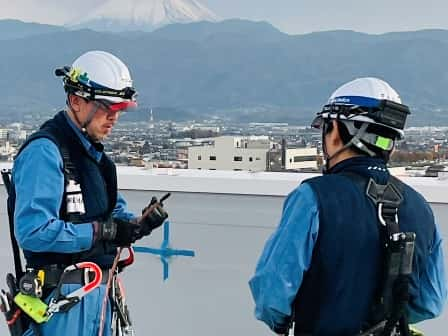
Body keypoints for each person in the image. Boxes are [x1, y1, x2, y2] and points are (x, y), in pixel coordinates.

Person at [249, 77, 447, 335]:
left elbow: (271, 296)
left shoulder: (313, 197)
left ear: (336, 132)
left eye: (326, 127)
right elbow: (431, 302)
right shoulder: (420, 207)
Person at [10, 50, 168, 335]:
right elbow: (33, 230)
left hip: (99, 297)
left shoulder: (97, 158)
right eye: (107, 108)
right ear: (76, 101)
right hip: (62, 302)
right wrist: (101, 232)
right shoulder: (45, 152)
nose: (113, 118)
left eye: (119, 110)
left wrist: (137, 225)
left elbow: (112, 214)